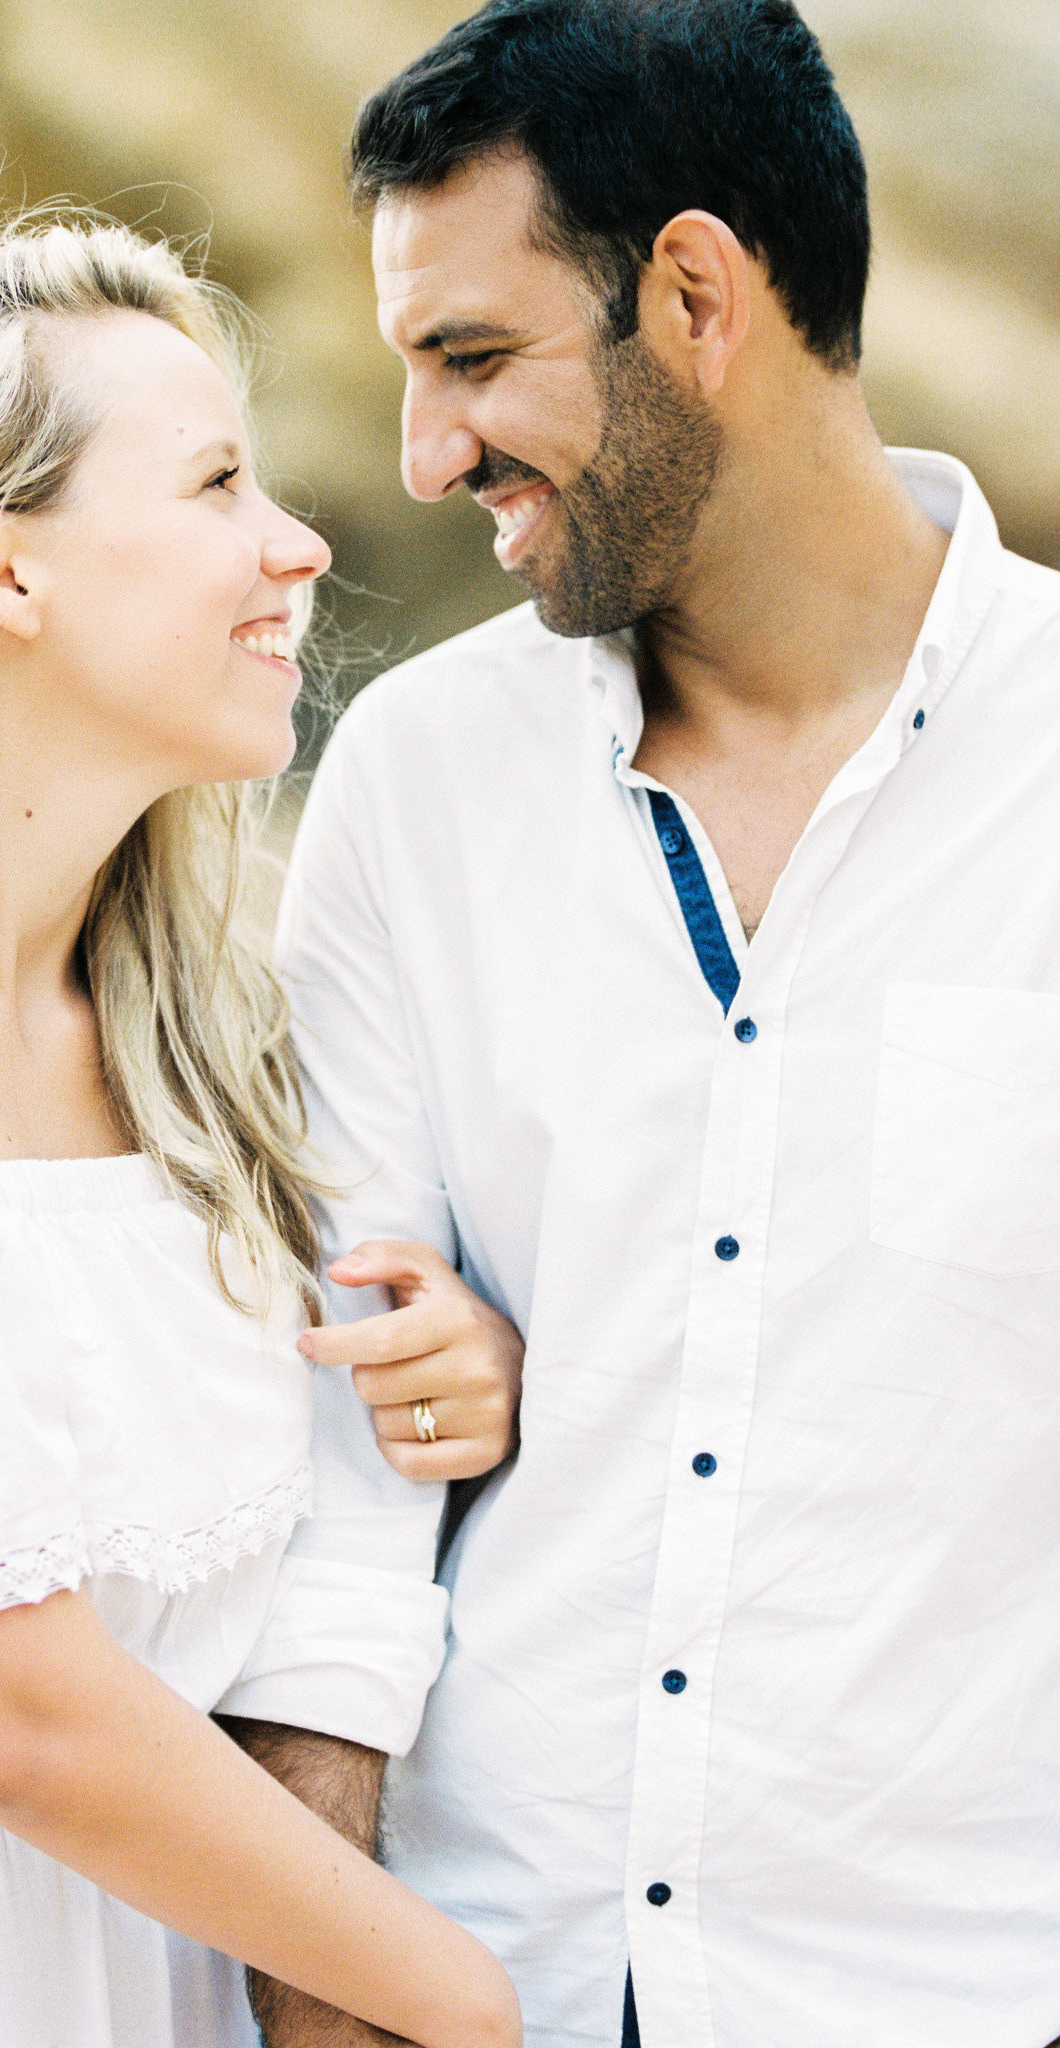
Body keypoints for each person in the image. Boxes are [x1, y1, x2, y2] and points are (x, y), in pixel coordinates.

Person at [222, 4, 1060, 2046]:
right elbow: (342, 1445)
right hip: (487, 1974)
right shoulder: (418, 780)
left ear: (695, 290)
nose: (425, 457)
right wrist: (323, 1987)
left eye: (475, 357)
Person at [0, 217, 524, 2048]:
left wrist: (432, 1374)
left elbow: (238, 1538)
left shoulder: (194, 1040)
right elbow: (16, 1709)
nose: (297, 545)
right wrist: (454, 2001)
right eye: (219, 480)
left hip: (126, 1979)